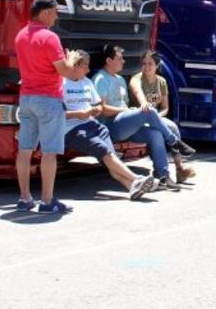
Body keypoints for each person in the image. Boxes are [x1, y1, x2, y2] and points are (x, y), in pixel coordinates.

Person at [96, 44, 195, 191]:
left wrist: (131, 110)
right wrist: (127, 109)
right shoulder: (100, 79)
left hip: (127, 123)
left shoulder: (120, 79)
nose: (123, 61)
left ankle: (163, 176)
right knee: (148, 110)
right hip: (112, 126)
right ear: (109, 61)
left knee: (155, 134)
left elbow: (159, 107)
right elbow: (102, 109)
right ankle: (174, 141)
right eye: (120, 59)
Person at [14, 0, 80, 214]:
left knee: (24, 150)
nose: (56, 18)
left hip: (26, 97)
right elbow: (66, 73)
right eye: (54, 12)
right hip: (49, 98)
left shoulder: (21, 35)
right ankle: (47, 200)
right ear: (45, 13)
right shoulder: (50, 38)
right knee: (49, 152)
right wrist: (70, 60)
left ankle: (24, 198)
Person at [63, 51, 156, 200]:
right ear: (75, 66)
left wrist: (95, 110)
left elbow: (100, 106)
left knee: (110, 157)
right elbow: (54, 114)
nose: (88, 70)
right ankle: (136, 179)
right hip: (73, 129)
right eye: (85, 66)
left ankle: (131, 187)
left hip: (93, 125)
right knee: (105, 151)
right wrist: (78, 114)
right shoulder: (61, 84)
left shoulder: (86, 82)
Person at [129, 50, 196, 183]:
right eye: (144, 64)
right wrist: (147, 109)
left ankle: (179, 168)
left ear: (157, 66)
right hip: (140, 117)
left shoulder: (162, 82)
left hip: (156, 116)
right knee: (160, 131)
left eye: (150, 64)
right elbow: (138, 92)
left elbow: (165, 107)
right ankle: (162, 168)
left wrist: (157, 117)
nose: (147, 67)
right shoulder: (136, 79)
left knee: (173, 127)